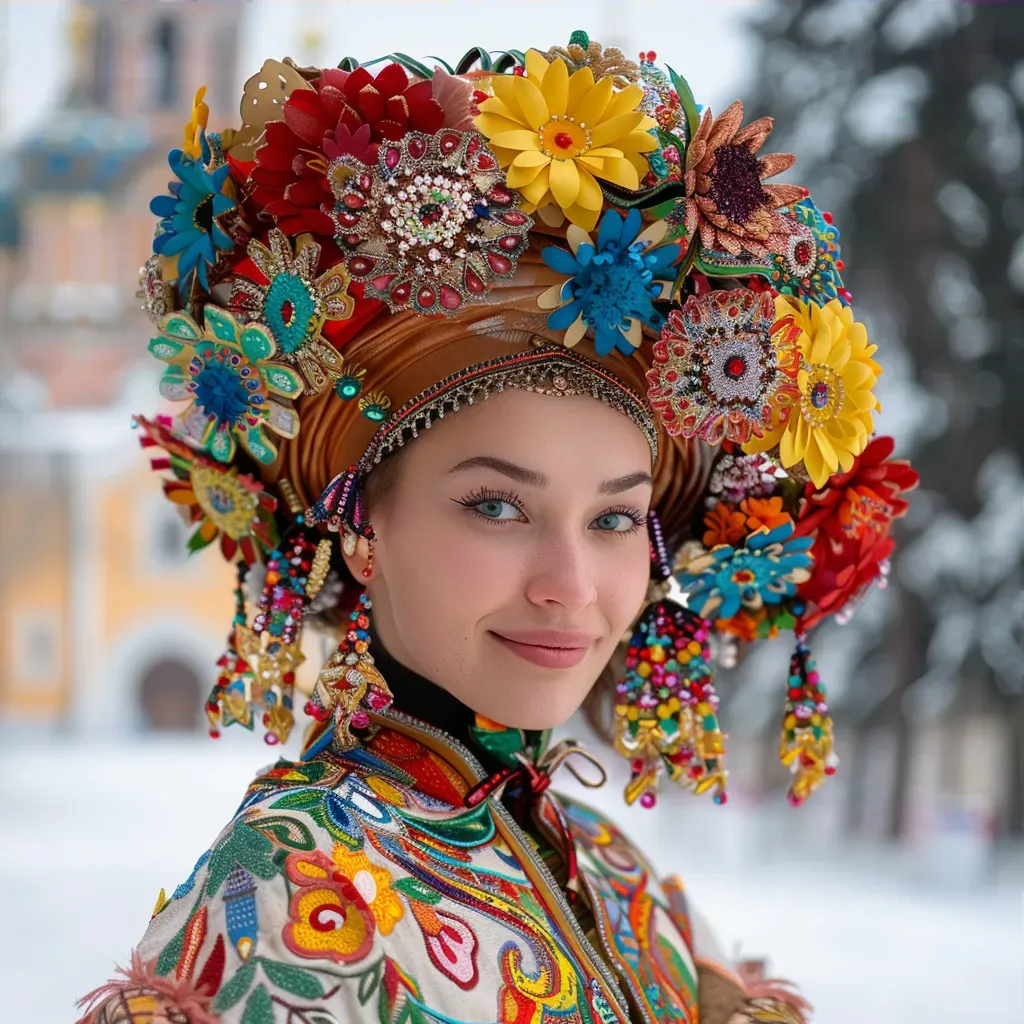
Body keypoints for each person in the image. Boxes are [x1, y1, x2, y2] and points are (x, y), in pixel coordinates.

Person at [77, 31, 918, 1024]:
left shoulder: (620, 877)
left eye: (613, 517)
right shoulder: (296, 883)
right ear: (362, 528)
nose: (569, 582)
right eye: (497, 505)